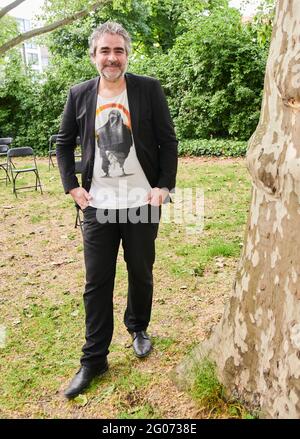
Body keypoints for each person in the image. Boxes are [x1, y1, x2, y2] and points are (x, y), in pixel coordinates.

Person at [56, 21, 178, 399]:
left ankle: (138, 328)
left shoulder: (148, 89)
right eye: (105, 51)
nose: (112, 57)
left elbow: (168, 141)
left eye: (119, 50)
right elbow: (63, 142)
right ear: (94, 56)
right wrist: (72, 187)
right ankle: (94, 359)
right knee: (97, 283)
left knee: (140, 271)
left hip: (142, 203)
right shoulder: (79, 94)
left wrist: (163, 187)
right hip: (99, 207)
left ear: (127, 54)